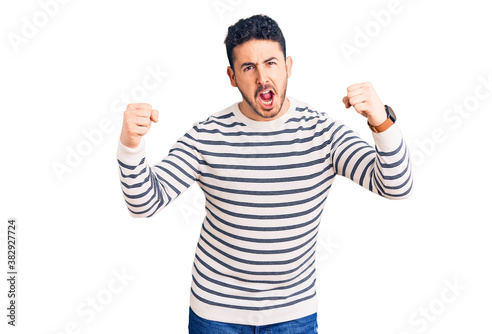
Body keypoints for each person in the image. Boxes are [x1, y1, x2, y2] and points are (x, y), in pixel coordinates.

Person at [116, 14, 412, 334]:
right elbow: (144, 203)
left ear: (288, 66)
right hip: (216, 315)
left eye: (271, 63)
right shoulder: (207, 135)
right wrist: (131, 145)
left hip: (294, 316)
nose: (262, 78)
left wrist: (382, 121)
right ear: (232, 76)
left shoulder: (322, 133)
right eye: (248, 68)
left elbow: (396, 186)